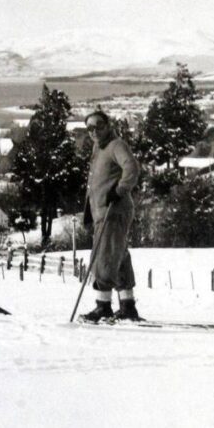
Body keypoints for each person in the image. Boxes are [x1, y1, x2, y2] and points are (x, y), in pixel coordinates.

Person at [81, 110, 141, 322]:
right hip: (102, 212)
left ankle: (103, 306)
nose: (94, 131)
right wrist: (89, 212)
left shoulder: (116, 145)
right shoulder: (100, 147)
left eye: (98, 126)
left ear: (108, 125)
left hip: (114, 212)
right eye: (90, 128)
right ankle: (127, 305)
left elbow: (132, 168)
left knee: (104, 258)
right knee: (119, 257)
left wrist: (120, 190)